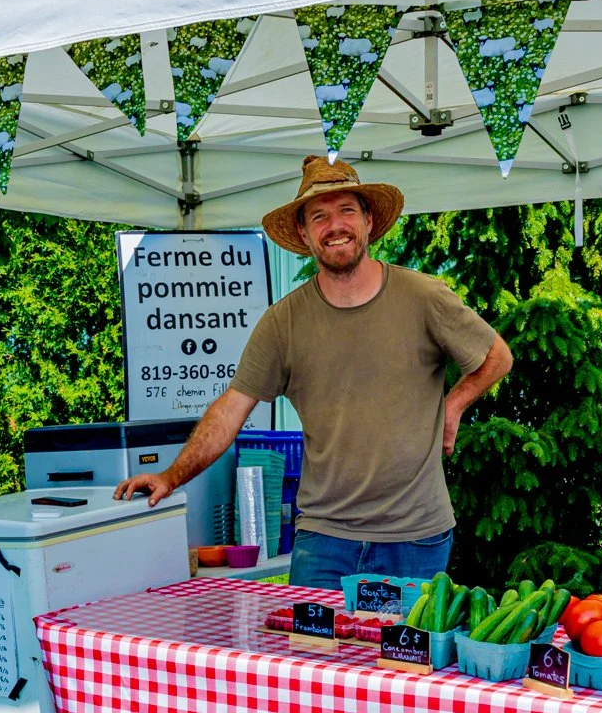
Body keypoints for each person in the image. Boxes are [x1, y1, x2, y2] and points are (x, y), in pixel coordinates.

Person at [115, 154, 512, 592]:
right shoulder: (283, 322)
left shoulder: (423, 297)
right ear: (304, 233)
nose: (334, 225)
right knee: (310, 660)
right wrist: (171, 476)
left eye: (346, 210)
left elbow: (496, 356)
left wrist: (452, 406)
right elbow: (232, 408)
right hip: (324, 539)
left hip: (414, 537)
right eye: (319, 216)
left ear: (368, 219)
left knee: (399, 663)